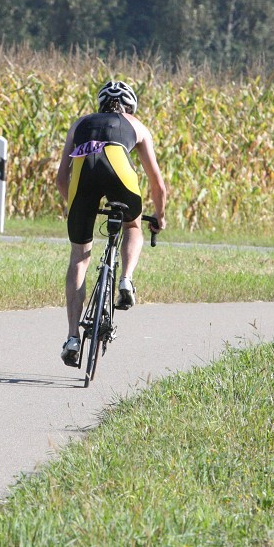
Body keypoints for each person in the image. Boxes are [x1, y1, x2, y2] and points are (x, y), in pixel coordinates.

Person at [55, 80, 167, 366]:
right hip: (119, 170)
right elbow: (157, 184)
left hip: (83, 175)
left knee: (79, 256)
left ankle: (71, 337)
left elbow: (61, 178)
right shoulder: (136, 125)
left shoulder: (81, 123)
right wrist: (161, 216)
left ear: (100, 104)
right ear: (130, 106)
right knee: (132, 226)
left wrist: (74, 206)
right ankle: (126, 279)